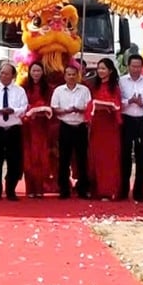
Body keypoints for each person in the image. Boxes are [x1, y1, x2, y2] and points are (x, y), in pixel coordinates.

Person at [0, 62, 28, 201]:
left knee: (14, 160)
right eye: (1, 73)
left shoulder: (19, 91)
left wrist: (13, 110)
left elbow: (24, 107)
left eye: (6, 73)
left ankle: (11, 189)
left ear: (13, 76)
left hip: (14, 128)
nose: (3, 76)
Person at [51, 63, 92, 199]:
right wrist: (66, 110)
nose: (71, 77)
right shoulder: (58, 91)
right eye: (68, 74)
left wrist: (81, 110)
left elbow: (89, 107)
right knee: (64, 159)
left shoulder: (84, 90)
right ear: (64, 76)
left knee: (82, 159)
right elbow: (54, 108)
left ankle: (83, 188)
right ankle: (64, 189)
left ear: (78, 75)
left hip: (80, 126)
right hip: (65, 125)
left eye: (74, 74)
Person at [118, 52, 143, 201]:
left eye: (139, 66)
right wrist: (129, 101)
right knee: (124, 155)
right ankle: (123, 190)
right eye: (133, 66)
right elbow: (117, 101)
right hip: (126, 120)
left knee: (141, 156)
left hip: (141, 120)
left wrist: (141, 104)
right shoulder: (121, 81)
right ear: (128, 66)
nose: (136, 69)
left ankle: (139, 192)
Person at [87, 58, 122, 201]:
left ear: (110, 71)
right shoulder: (93, 86)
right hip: (97, 125)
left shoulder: (115, 87)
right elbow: (88, 105)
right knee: (95, 157)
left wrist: (109, 107)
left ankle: (109, 191)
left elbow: (118, 105)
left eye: (103, 68)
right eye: (99, 68)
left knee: (109, 158)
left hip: (110, 126)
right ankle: (96, 190)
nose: (100, 71)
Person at [20, 62, 54, 198]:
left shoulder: (48, 89)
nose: (36, 74)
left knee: (41, 156)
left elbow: (52, 106)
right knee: (29, 157)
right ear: (30, 72)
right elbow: (22, 105)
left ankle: (40, 188)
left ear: (42, 72)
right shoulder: (24, 87)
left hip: (43, 126)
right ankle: (30, 188)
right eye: (33, 71)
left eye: (38, 71)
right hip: (28, 126)